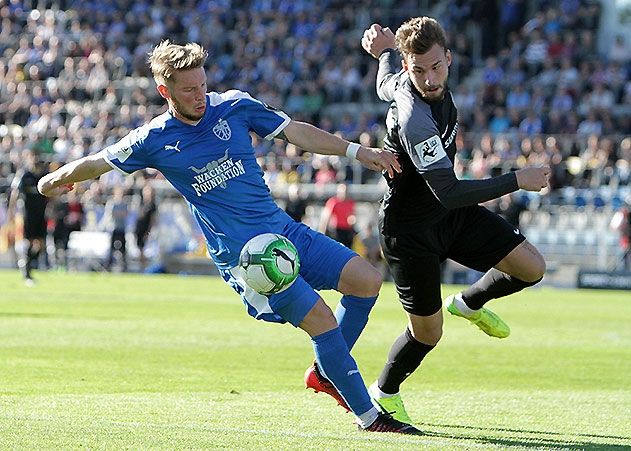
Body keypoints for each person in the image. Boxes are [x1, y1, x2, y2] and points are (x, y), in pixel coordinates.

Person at [37, 40, 420, 435]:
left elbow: (296, 133)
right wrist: (53, 180)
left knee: (367, 281)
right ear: (165, 92)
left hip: (282, 232)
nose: (200, 95)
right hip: (249, 258)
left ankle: (327, 371)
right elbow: (100, 161)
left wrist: (357, 152)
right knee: (321, 320)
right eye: (188, 90)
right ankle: (369, 417)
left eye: (202, 85)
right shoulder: (153, 138)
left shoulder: (234, 105)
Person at [360, 18, 549, 423]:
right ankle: (384, 394)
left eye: (435, 67)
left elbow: (385, 81)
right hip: (410, 231)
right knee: (429, 333)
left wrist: (386, 52)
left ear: (448, 57)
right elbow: (448, 190)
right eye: (420, 71)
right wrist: (519, 179)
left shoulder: (404, 77)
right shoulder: (415, 118)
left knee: (532, 267)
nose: (429, 79)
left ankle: (469, 303)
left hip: (448, 216)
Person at [8, 149, 48, 286]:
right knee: (28, 242)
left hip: (41, 214)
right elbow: (15, 194)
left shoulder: (43, 176)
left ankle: (25, 263)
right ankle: (26, 271)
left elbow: (50, 194)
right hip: (28, 215)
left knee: (41, 244)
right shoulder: (24, 175)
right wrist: (11, 212)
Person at [318, 183, 356, 248]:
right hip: (336, 230)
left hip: (347, 230)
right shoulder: (333, 202)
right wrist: (322, 231)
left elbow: (351, 216)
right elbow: (326, 217)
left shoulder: (350, 202)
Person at [134, 182, 157, 269]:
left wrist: (149, 231)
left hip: (145, 229)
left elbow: (152, 219)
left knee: (144, 248)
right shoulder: (142, 203)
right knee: (140, 247)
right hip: (139, 228)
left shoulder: (152, 205)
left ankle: (144, 266)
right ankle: (142, 265)